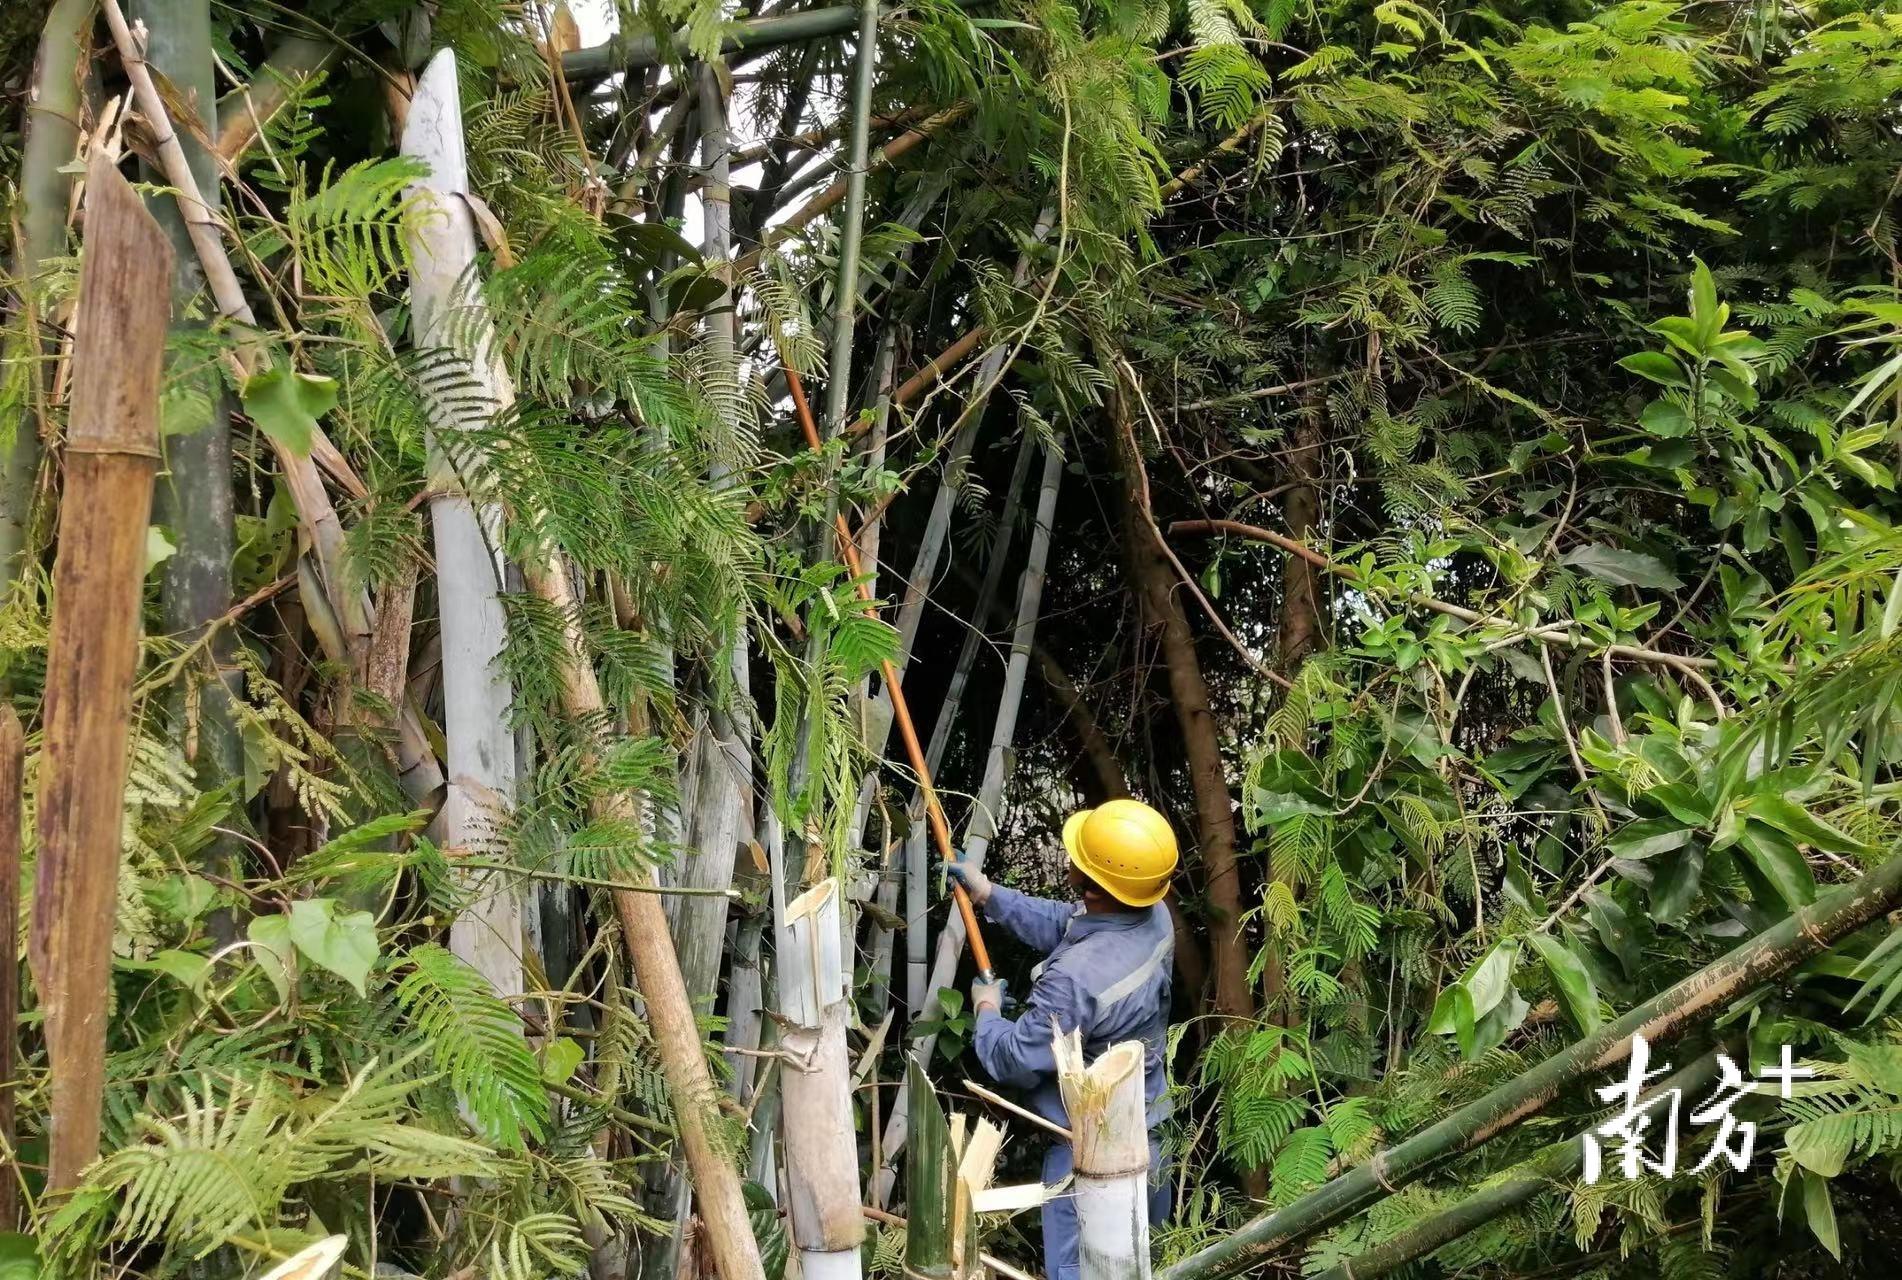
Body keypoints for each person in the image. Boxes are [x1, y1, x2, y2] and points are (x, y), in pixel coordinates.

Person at [947, 798, 1179, 1280]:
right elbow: (1070, 924)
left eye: (1081, 861)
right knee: (1149, 1262)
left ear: (1094, 886)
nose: (1071, 865)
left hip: (1090, 1157)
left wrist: (986, 1008)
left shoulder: (1075, 981)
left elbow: (1013, 1059)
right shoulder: (1153, 913)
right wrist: (990, 894)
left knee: (1086, 1271)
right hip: (1152, 1129)